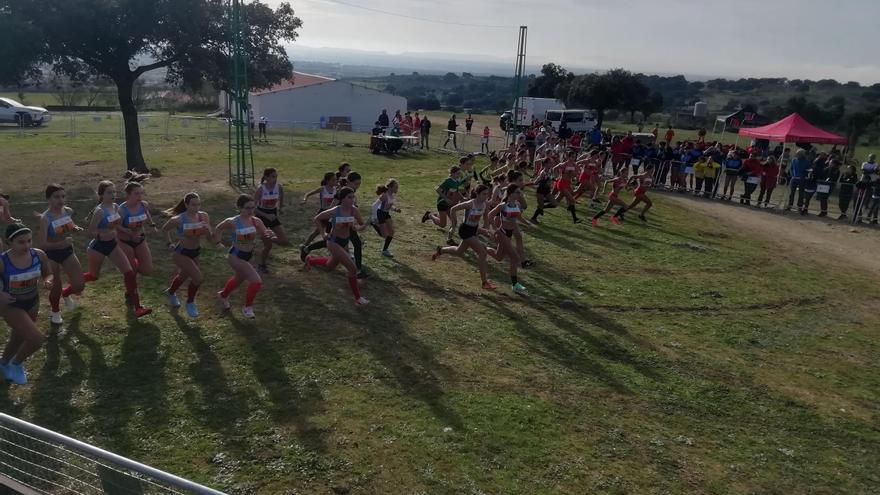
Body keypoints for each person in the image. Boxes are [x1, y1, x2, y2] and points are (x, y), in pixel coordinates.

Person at [83, 181, 152, 318]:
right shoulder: (99, 211)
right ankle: (69, 288)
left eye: (114, 192)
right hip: (97, 247)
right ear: (101, 195)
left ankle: (138, 308)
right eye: (109, 192)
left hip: (113, 245)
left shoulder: (115, 207)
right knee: (93, 276)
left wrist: (126, 230)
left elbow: (118, 224)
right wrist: (102, 235)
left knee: (129, 272)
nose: (113, 195)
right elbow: (90, 232)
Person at [0, 224, 51, 385]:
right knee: (36, 339)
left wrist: (48, 280)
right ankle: (16, 364)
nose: (27, 245)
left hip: (33, 301)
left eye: (29, 240)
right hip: (11, 305)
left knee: (20, 336)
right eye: (21, 242)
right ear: (9, 242)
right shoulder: (3, 261)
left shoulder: (39, 255)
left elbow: (48, 273)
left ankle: (3, 363)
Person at [303, 187, 369, 306]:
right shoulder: (335, 210)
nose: (352, 199)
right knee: (352, 269)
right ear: (342, 199)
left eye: (353, 197)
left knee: (329, 267)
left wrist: (358, 228)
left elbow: (361, 224)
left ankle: (310, 260)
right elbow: (317, 219)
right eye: (349, 197)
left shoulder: (354, 211)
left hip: (344, 242)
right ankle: (358, 299)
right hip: (333, 242)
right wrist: (323, 233)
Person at [214, 194, 275, 319]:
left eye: (252, 208)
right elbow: (218, 228)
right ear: (240, 208)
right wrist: (218, 242)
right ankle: (247, 307)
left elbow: (265, 232)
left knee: (238, 279)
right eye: (247, 208)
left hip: (247, 256)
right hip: (235, 256)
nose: (250, 211)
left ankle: (223, 295)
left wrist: (269, 233)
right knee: (256, 281)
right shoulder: (232, 222)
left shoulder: (256, 221)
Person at [431, 184, 496, 290]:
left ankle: (441, 250)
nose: (486, 196)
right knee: (482, 252)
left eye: (487, 194)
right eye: (484, 194)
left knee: (458, 252)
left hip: (473, 230)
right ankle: (484, 282)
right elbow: (453, 209)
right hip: (465, 230)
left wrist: (486, 229)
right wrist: (454, 222)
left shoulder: (485, 204)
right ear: (477, 194)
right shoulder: (470, 204)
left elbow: (485, 217)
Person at [37, 184, 85, 325]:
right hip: (50, 254)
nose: (61, 200)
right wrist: (60, 244)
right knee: (55, 287)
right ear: (48, 199)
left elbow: (70, 225)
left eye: (63, 196)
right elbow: (42, 244)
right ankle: (55, 311)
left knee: (79, 285)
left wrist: (75, 228)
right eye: (56, 197)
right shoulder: (45, 218)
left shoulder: (67, 211)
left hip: (66, 250)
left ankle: (66, 293)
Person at [162, 193, 212, 318]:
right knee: (198, 278)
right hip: (181, 253)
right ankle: (190, 302)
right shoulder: (178, 219)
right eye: (193, 205)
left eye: (198, 204)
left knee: (183, 276)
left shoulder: (203, 216)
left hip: (195, 252)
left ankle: (171, 292)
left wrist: (208, 231)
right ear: (186, 205)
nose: (197, 207)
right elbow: (165, 229)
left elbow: (210, 239)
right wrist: (169, 243)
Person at [486, 184, 528, 295]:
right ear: (511, 194)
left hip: (509, 234)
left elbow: (518, 217)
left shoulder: (517, 204)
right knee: (515, 258)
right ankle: (515, 285)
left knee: (498, 257)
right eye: (517, 192)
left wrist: (529, 224)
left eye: (520, 192)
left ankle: (482, 248)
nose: (520, 194)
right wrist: (494, 229)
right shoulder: (503, 205)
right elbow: (490, 215)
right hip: (502, 233)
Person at [117, 182, 157, 280]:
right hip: (125, 241)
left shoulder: (144, 205)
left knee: (147, 270)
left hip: (140, 239)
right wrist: (128, 232)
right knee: (131, 273)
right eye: (136, 193)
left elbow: (147, 213)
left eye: (141, 193)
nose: (140, 196)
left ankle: (131, 262)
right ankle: (131, 291)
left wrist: (152, 225)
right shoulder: (121, 210)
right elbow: (116, 226)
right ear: (128, 195)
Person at [254, 168, 289, 273]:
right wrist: (266, 215)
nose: (275, 179)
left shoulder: (279, 187)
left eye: (276, 177)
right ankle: (261, 265)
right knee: (268, 246)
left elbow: (281, 201)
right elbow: (254, 208)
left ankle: (266, 238)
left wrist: (280, 209)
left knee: (284, 241)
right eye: (273, 176)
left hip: (273, 215)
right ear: (266, 177)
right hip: (261, 216)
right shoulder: (261, 189)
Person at [422, 166, 463, 244]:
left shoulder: (457, 181)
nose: (459, 175)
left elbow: (457, 191)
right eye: (458, 173)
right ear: (452, 173)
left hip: (450, 205)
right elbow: (437, 189)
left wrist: (463, 198)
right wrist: (446, 199)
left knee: (454, 222)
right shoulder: (447, 181)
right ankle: (430, 215)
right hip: (442, 203)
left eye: (459, 173)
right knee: (442, 224)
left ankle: (449, 239)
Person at [300, 172, 338, 248]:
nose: (335, 182)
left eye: (336, 180)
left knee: (334, 232)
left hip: (332, 214)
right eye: (333, 180)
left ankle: (333, 248)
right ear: (327, 181)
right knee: (317, 232)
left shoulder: (336, 190)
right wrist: (305, 200)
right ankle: (305, 245)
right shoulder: (322, 189)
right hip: (323, 213)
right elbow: (308, 194)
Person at [371, 179, 401, 258]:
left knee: (391, 232)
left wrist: (395, 209)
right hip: (380, 214)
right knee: (384, 235)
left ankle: (385, 250)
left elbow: (389, 205)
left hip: (386, 214)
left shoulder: (392, 195)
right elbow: (374, 206)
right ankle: (373, 224)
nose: (397, 189)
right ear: (390, 187)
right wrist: (375, 218)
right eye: (396, 187)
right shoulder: (384, 195)